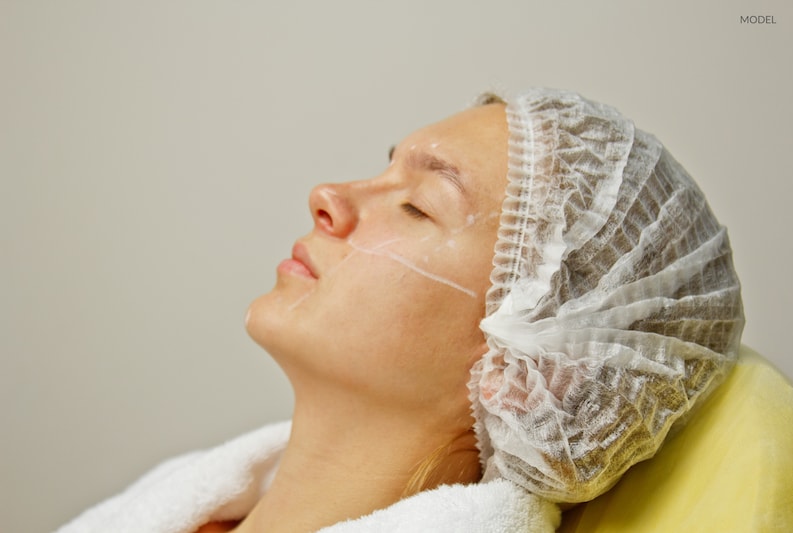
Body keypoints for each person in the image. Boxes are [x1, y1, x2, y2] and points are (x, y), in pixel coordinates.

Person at [57, 88, 744, 533]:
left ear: (534, 367)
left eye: (419, 203)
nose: (328, 195)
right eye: (385, 170)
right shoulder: (192, 508)